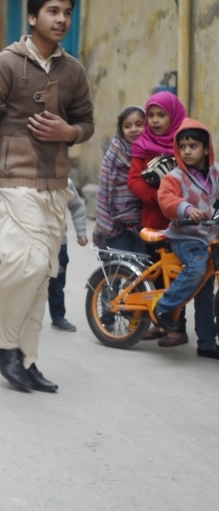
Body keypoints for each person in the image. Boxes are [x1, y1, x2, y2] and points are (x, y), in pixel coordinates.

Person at [0, 0, 94, 393]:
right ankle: (2, 345)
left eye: (67, 12)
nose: (61, 19)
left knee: (44, 274)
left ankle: (27, 359)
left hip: (55, 184)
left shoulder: (73, 71)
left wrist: (69, 131)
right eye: (53, 11)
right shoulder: (5, 64)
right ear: (32, 17)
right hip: (13, 179)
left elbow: (86, 122)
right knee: (26, 265)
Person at [154, 119, 219, 359]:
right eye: (183, 146)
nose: (187, 151)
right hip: (185, 236)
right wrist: (187, 209)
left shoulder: (216, 173)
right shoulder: (174, 177)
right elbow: (166, 199)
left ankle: (207, 343)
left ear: (206, 148)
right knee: (197, 267)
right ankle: (165, 307)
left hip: (211, 238)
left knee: (205, 291)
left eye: (193, 146)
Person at [128, 91, 188, 345]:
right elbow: (133, 181)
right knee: (153, 272)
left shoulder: (185, 144)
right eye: (151, 115)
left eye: (161, 115)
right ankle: (157, 323)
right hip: (152, 222)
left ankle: (177, 328)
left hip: (179, 223)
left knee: (176, 275)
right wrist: (159, 196)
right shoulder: (142, 146)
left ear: (173, 116)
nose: (154, 120)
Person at [93, 105, 146, 251]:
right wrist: (105, 221)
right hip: (118, 226)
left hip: (147, 225)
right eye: (127, 126)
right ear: (121, 131)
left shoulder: (152, 152)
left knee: (144, 270)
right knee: (120, 269)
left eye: (139, 124)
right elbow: (104, 189)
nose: (133, 129)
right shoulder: (114, 153)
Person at [47, 179, 88, 331]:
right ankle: (25, 316)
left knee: (57, 283)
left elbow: (77, 207)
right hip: (35, 241)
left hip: (59, 242)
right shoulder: (31, 181)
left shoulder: (66, 183)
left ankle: (58, 316)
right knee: (31, 281)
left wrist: (81, 231)